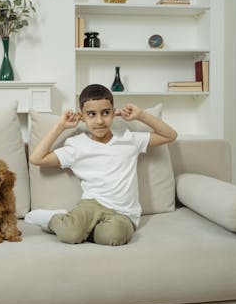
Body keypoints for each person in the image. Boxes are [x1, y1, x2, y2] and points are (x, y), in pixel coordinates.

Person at [27, 84, 177, 246]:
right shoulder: (77, 146)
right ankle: (56, 220)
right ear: (82, 116)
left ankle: (75, 224)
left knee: (113, 237)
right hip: (91, 205)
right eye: (91, 114)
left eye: (105, 113)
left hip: (123, 214)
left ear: (114, 113)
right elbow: (36, 159)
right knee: (70, 234)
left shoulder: (129, 139)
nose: (99, 121)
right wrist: (60, 126)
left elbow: (170, 135)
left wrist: (141, 115)